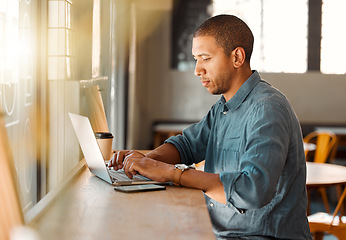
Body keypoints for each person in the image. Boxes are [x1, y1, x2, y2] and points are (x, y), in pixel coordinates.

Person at [109, 14, 312, 240]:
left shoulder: (268, 109)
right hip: (219, 233)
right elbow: (186, 145)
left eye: (205, 58)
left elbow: (252, 189)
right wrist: (145, 162)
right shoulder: (223, 107)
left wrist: (173, 173)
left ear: (237, 57)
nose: (197, 69)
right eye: (196, 58)